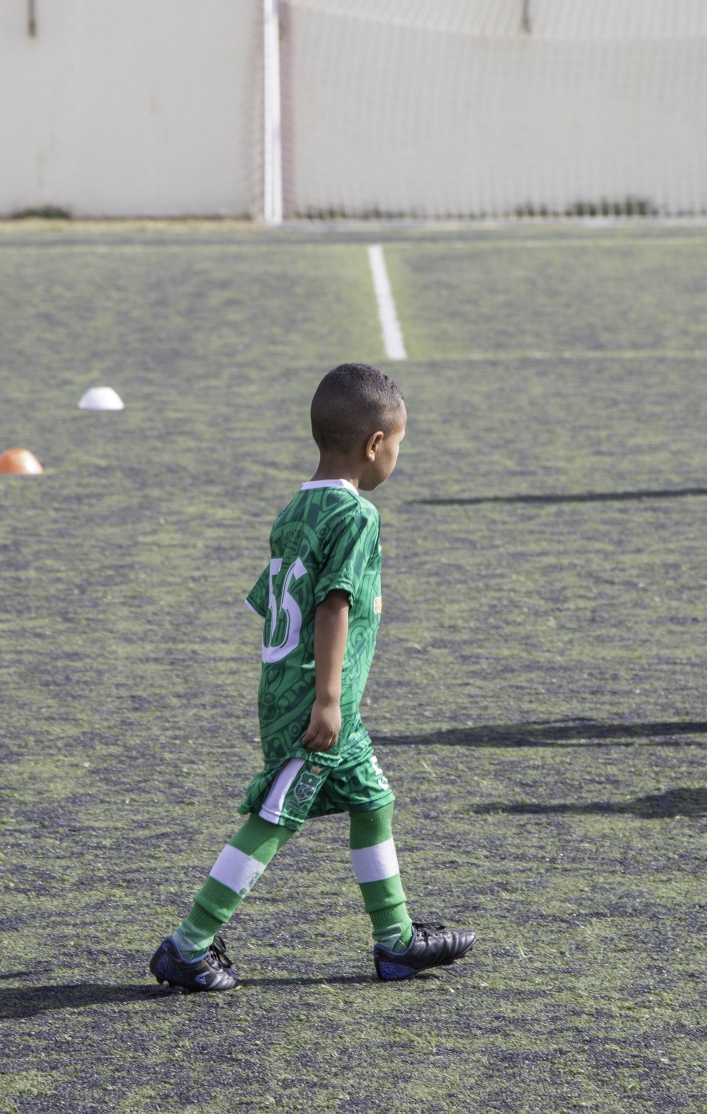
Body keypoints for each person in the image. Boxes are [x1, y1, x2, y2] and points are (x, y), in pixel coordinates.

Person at [149, 364, 475, 991]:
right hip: (317, 701)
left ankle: (396, 941)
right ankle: (188, 945)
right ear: (374, 444)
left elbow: (273, 602)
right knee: (275, 818)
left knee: (373, 802)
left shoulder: (296, 509)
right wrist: (326, 699)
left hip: (294, 689)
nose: (398, 456)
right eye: (399, 444)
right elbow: (331, 605)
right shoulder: (356, 515)